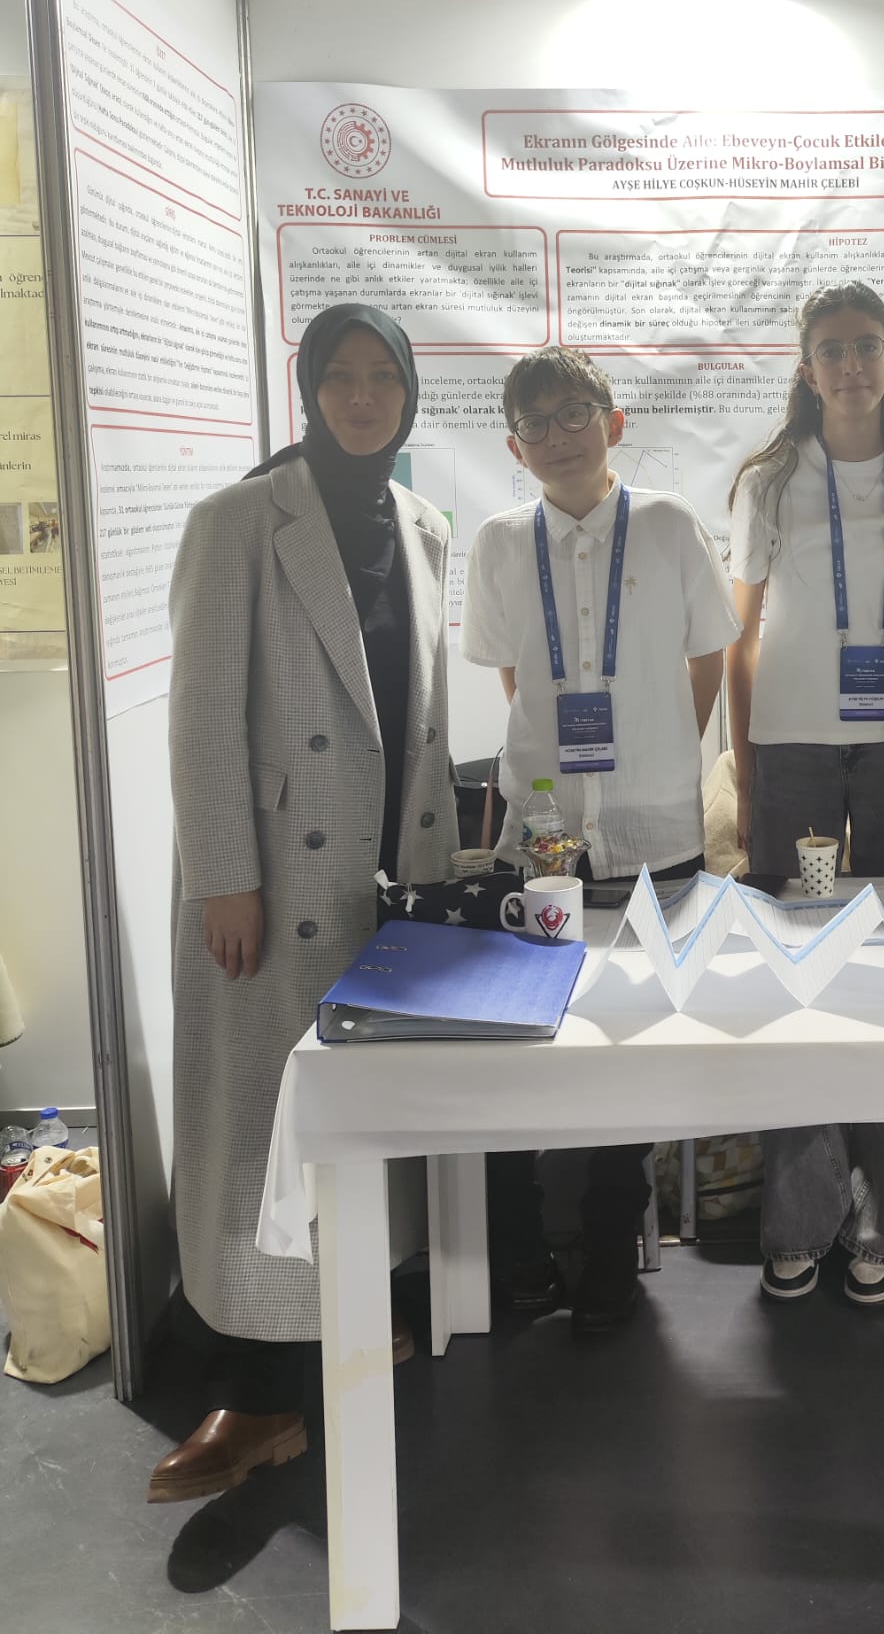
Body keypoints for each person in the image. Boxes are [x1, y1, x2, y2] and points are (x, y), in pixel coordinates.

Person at [153, 304, 456, 1502]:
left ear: (409, 394)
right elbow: (198, 719)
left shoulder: (422, 523)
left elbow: (423, 718)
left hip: (388, 875)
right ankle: (257, 1388)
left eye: (384, 376)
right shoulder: (239, 518)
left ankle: (359, 1317)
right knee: (261, 1130)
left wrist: (439, 867)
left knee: (368, 1114)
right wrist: (224, 876)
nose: (363, 396)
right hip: (276, 882)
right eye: (341, 376)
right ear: (310, 389)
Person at [461, 348, 739, 1333]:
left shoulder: (667, 524)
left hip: (656, 830)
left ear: (612, 422)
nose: (558, 435)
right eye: (534, 423)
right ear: (514, 448)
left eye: (574, 412)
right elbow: (513, 676)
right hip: (539, 836)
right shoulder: (500, 542)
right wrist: (560, 764)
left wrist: (660, 751)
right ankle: (525, 1250)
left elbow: (708, 654)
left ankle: (613, 1238)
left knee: (637, 1040)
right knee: (522, 1038)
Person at [727, 282, 884, 1307]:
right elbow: (741, 634)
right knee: (802, 971)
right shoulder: (769, 479)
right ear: (805, 368)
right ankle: (802, 1215)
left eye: (866, 345)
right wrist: (743, 766)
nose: (850, 364)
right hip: (793, 754)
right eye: (830, 349)